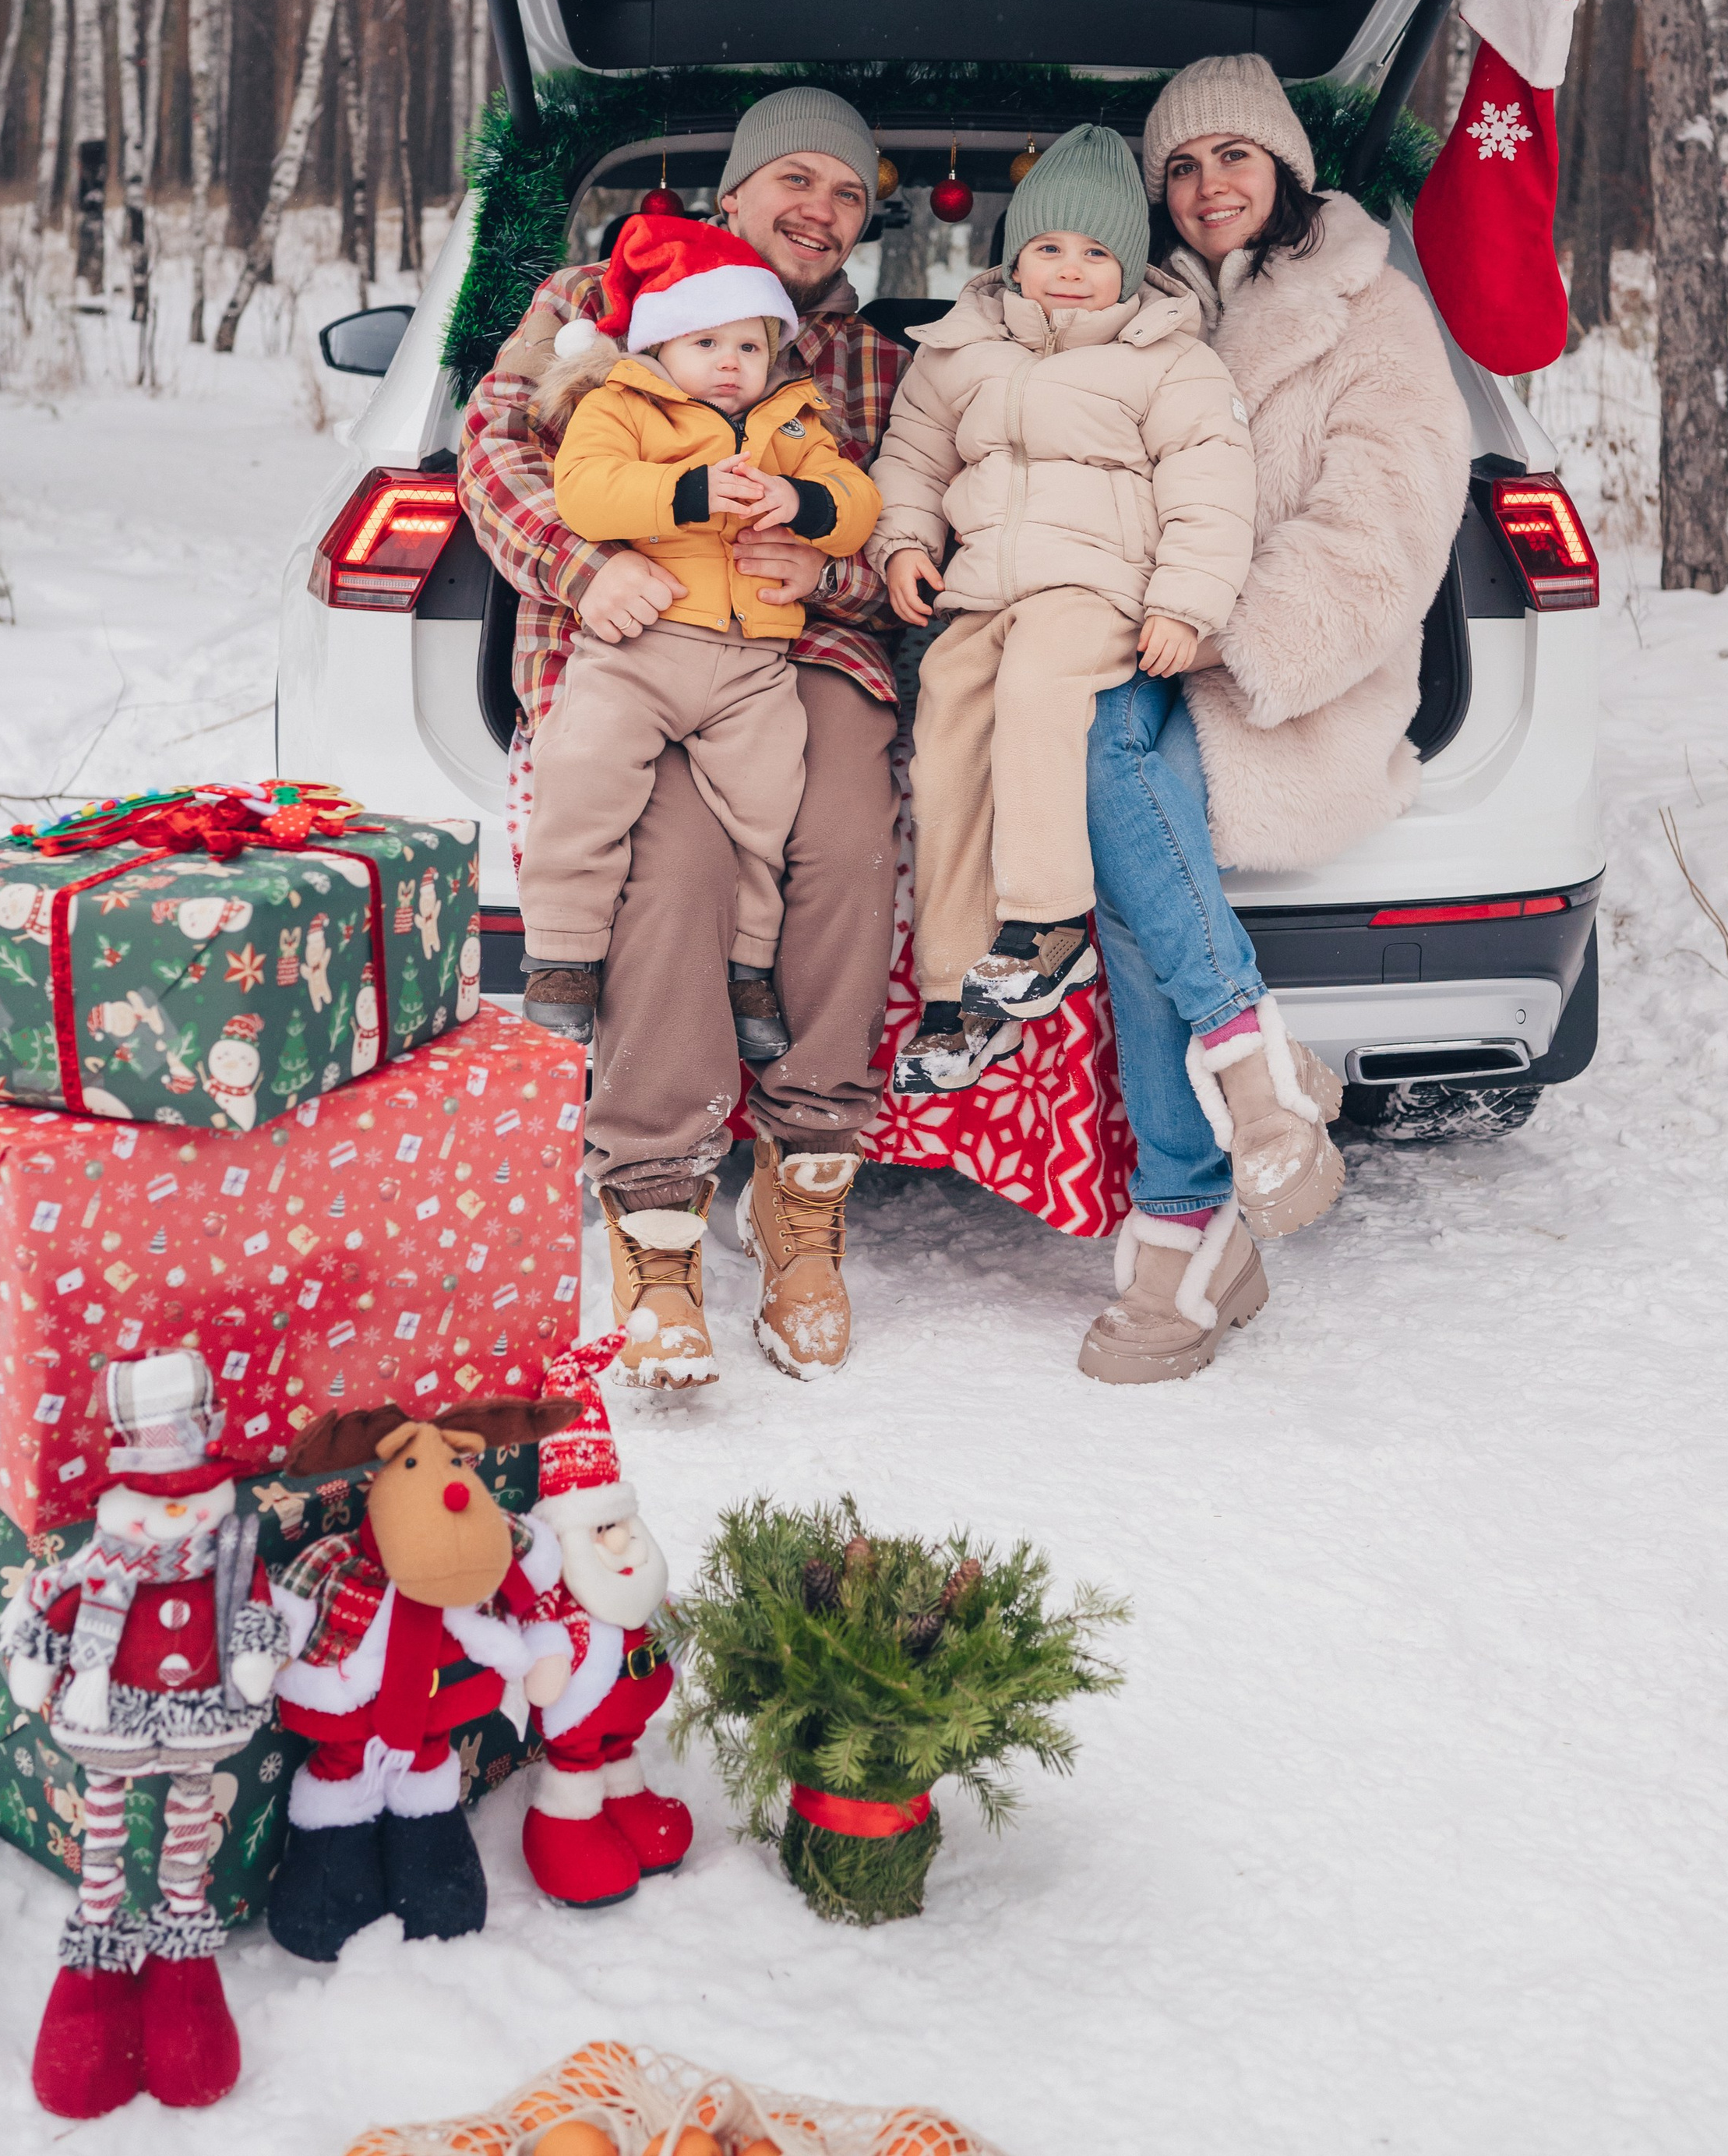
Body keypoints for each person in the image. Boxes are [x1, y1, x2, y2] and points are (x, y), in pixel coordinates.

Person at [460, 86, 906, 1391]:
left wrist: (828, 567)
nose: (819, 211)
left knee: (839, 830)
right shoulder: (595, 296)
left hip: (793, 645)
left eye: (848, 196)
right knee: (678, 865)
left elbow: (906, 536)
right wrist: (582, 564)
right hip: (620, 633)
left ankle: (804, 1187)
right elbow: (493, 441)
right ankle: (656, 1213)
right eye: (797, 181)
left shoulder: (867, 362)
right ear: (736, 190)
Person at [1077, 54, 1472, 1385]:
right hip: (1132, 642)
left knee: (1140, 857)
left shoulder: (1373, 307)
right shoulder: (1126, 314)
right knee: (1105, 761)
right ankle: (1253, 1073)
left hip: (1295, 672)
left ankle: (1188, 1215)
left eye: (1231, 156)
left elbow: (1391, 521)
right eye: (1179, 168)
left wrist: (1236, 638)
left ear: (1286, 165)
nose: (1206, 187)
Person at [866, 124, 1256, 1092]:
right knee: (947, 735)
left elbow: (1211, 489)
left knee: (1041, 693)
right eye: (1047, 250)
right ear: (1012, 258)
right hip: (980, 589)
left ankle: (1044, 924)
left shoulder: (1168, 360)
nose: (1070, 272)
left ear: (1127, 267)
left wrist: (1185, 605)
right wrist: (905, 542)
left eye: (1095, 254)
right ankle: (959, 994)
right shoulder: (958, 350)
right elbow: (911, 460)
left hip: (1096, 589)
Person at [519, 213, 882, 1060]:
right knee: (585, 775)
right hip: (641, 649)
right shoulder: (623, 405)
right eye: (706, 340)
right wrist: (686, 492)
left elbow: (855, 500)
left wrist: (804, 506)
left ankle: (748, 966)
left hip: (754, 665)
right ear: (658, 347)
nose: (730, 362)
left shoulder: (795, 422)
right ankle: (561, 952)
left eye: (750, 347)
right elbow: (586, 493)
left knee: (765, 811)